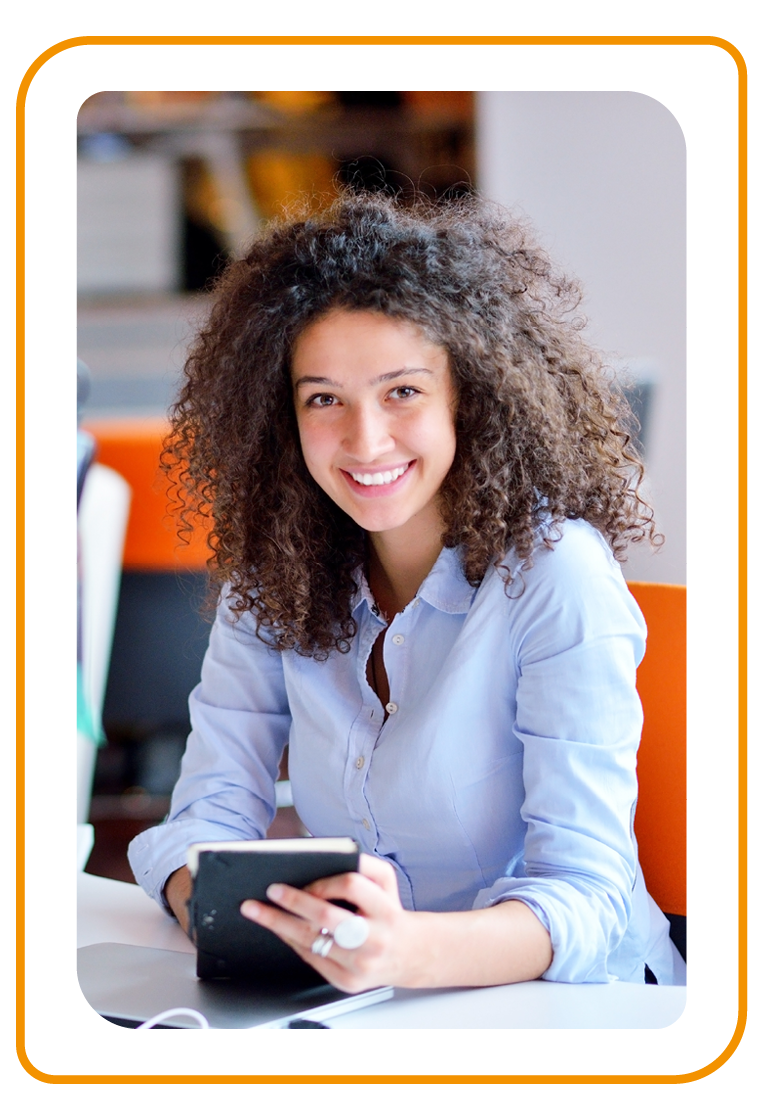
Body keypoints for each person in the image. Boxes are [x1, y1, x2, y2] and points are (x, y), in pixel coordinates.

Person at [128, 190, 675, 990]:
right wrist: (226, 911)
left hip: (572, 1013)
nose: (364, 439)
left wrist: (400, 952)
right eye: (323, 399)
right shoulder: (274, 572)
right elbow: (203, 821)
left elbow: (586, 899)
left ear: (470, 396)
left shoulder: (555, 574)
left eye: (402, 392)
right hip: (369, 1002)